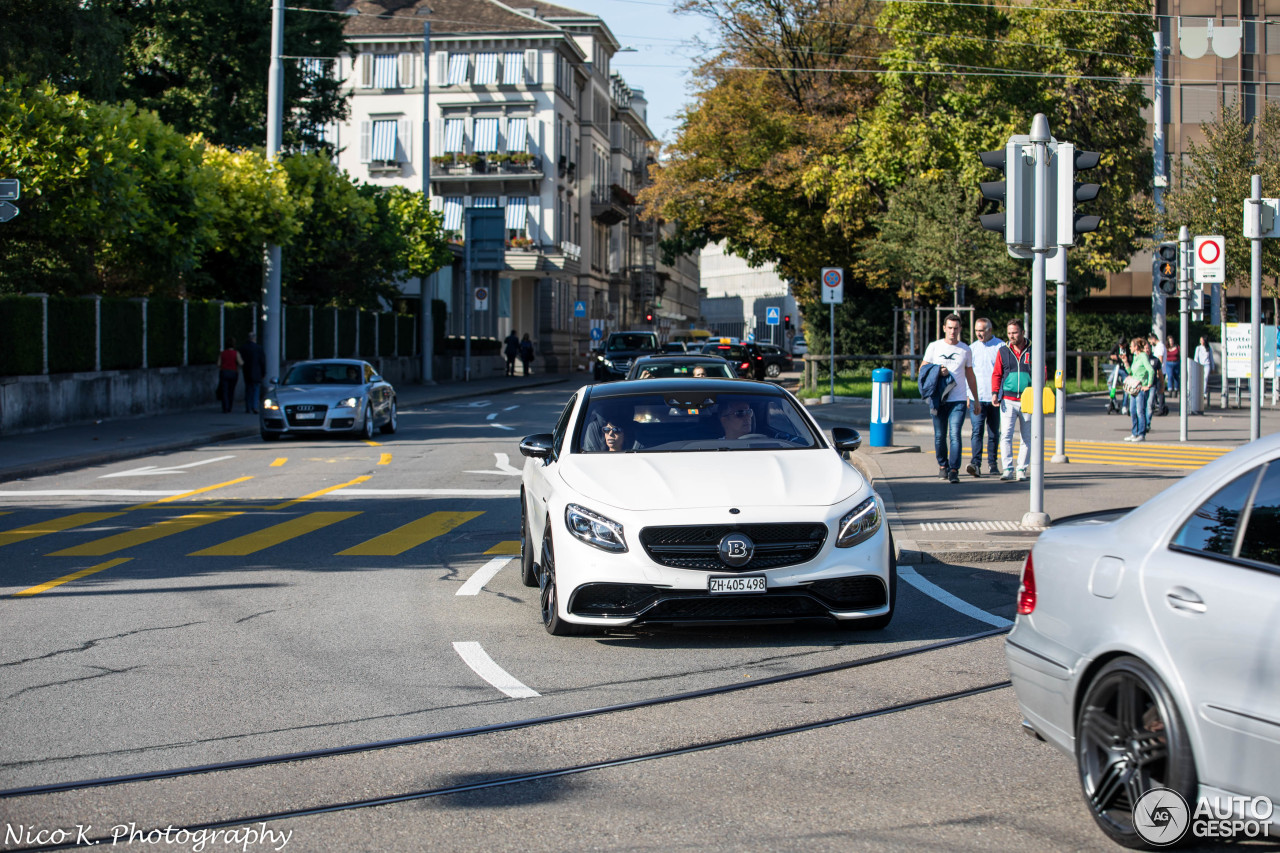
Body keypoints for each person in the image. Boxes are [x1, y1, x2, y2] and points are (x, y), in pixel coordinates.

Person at [921, 313, 978, 484]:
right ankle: (942, 466)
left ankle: (954, 469)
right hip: (938, 398)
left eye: (956, 328)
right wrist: (938, 370)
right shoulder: (934, 347)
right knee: (939, 435)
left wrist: (975, 398)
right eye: (950, 328)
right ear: (944, 328)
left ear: (960, 329)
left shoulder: (965, 349)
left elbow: (970, 375)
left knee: (955, 434)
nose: (953, 331)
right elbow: (923, 369)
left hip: (958, 399)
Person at [991, 318, 1034, 482]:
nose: (1012, 336)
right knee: (1006, 435)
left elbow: (1041, 371)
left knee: (1027, 437)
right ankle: (1007, 468)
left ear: (1023, 332)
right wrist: (995, 392)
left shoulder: (1033, 349)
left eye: (1015, 332)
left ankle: (1022, 468)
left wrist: (1038, 391)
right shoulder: (1003, 350)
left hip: (1027, 398)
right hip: (1007, 399)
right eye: (1009, 333)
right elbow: (997, 373)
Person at [966, 317, 1003, 477]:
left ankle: (993, 464)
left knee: (994, 432)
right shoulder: (971, 348)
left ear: (990, 330)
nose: (979, 334)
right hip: (977, 397)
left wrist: (1001, 394)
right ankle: (976, 463)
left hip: (995, 397)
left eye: (982, 330)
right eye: (976, 331)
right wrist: (968, 396)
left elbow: (1003, 372)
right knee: (977, 431)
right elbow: (968, 374)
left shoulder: (1000, 346)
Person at [1126, 335, 1155, 441]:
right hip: (1133, 388)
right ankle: (1134, 433)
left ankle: (1141, 434)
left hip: (1141, 388)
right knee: (1132, 411)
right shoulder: (1135, 357)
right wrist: (1125, 363)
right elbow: (1132, 372)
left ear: (1136, 347)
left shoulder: (1143, 356)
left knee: (1140, 411)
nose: (1130, 348)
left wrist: (1148, 385)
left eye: (1131, 346)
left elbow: (1150, 370)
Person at [239, 332, 266, 414]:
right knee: (256, 389)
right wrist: (263, 372)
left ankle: (248, 406)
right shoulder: (259, 348)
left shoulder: (243, 348)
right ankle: (254, 406)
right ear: (254, 338)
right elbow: (262, 361)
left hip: (247, 371)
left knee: (248, 389)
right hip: (257, 372)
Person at [218, 338, 242, 414]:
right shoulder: (236, 353)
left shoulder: (222, 353)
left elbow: (218, 364)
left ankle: (225, 407)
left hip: (224, 372)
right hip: (233, 373)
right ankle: (230, 407)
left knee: (224, 390)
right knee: (231, 390)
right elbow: (241, 363)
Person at [1193, 335, 1214, 410]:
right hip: (1200, 364)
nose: (1201, 341)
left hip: (1207, 364)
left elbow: (1211, 358)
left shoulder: (1208, 348)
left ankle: (1204, 393)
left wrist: (1213, 367)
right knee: (1200, 379)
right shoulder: (1198, 348)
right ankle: (1199, 392)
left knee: (1205, 378)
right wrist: (1196, 365)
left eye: (1202, 340)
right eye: (1200, 340)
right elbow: (1196, 357)